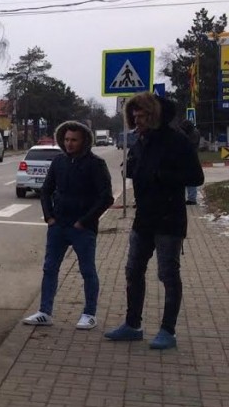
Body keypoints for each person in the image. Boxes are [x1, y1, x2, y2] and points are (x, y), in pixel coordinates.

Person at [105, 93, 205, 349]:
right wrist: (131, 169)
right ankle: (132, 325)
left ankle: (168, 330)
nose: (137, 120)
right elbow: (136, 169)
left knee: (168, 274)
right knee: (133, 270)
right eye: (134, 116)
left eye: (143, 115)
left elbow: (196, 177)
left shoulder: (176, 141)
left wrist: (160, 175)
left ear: (155, 115)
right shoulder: (140, 141)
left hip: (170, 219)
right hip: (144, 218)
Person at [21, 121, 114, 330]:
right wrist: (49, 217)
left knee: (87, 270)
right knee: (50, 268)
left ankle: (89, 314)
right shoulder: (59, 162)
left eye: (74, 140)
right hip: (58, 226)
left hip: (83, 228)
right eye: (66, 139)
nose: (69, 144)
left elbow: (106, 198)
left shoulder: (95, 164)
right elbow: (46, 190)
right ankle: (45, 312)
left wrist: (85, 221)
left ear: (84, 141)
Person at [181, 120, 201, 205]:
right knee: (189, 178)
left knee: (190, 178)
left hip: (190, 157)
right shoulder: (194, 132)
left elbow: (189, 144)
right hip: (190, 157)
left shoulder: (193, 134)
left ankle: (192, 198)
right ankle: (191, 198)